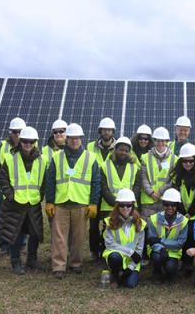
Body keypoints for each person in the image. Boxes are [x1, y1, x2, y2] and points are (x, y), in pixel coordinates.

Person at [45, 123, 101, 279]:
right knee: (59, 237)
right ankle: (58, 266)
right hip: (61, 203)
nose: (74, 141)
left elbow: (96, 182)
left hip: (81, 203)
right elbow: (50, 181)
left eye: (77, 138)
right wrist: (50, 201)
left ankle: (76, 263)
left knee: (78, 237)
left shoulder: (91, 158)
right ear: (66, 139)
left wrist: (93, 203)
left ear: (81, 139)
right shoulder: (57, 157)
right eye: (71, 138)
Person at [0, 127, 46, 274]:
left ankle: (31, 260)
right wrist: (10, 196)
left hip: (33, 203)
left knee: (35, 233)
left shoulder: (41, 161)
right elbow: (2, 179)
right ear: (20, 142)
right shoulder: (11, 159)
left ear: (35, 142)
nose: (28, 144)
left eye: (31, 141)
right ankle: (15, 261)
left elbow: (43, 182)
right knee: (15, 234)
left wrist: (40, 195)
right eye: (25, 141)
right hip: (15, 204)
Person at [96, 137, 140, 260]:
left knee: (125, 232)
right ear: (115, 149)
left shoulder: (134, 167)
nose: (123, 152)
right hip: (109, 206)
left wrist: (128, 202)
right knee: (109, 232)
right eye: (121, 149)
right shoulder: (105, 165)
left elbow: (137, 186)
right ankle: (107, 255)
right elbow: (103, 187)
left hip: (127, 207)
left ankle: (125, 254)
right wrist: (116, 204)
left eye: (126, 150)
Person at [170, 143, 195, 274]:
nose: (188, 164)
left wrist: (190, 213)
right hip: (181, 212)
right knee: (182, 232)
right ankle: (181, 260)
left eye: (191, 161)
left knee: (191, 232)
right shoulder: (176, 176)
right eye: (184, 161)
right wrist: (183, 213)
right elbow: (176, 196)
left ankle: (188, 263)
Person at [0, 117, 26, 256]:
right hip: (5, 190)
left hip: (23, 191)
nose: (17, 135)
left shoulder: (29, 145)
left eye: (19, 132)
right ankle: (4, 246)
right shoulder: (2, 146)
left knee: (22, 219)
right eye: (14, 132)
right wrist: (2, 183)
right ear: (10, 132)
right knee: (4, 218)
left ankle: (22, 244)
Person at [102, 189, 145, 288]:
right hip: (117, 256)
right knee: (114, 257)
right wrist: (130, 252)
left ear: (133, 205)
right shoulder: (109, 222)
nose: (125, 208)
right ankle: (115, 274)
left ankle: (124, 273)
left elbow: (139, 250)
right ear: (117, 206)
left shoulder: (140, 223)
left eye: (128, 205)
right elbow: (110, 244)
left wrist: (130, 268)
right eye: (122, 205)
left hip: (132, 261)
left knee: (130, 284)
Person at [87, 117, 117, 261]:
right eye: (104, 130)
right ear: (100, 131)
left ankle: (105, 248)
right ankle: (93, 250)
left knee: (107, 223)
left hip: (108, 192)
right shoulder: (90, 146)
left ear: (113, 132)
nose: (107, 132)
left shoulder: (119, 147)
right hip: (93, 191)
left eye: (109, 130)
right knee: (93, 225)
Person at [147, 189, 188, 283]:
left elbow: (180, 243)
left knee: (170, 269)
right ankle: (157, 272)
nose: (170, 207)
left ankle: (170, 270)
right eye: (166, 204)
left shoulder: (184, 221)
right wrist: (160, 249)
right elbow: (152, 240)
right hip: (156, 250)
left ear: (177, 205)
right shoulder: (153, 219)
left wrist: (161, 241)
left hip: (174, 252)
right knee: (157, 258)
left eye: (173, 205)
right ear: (163, 204)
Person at [139, 127, 177, 219]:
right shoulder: (145, 157)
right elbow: (143, 178)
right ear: (154, 141)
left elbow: (173, 180)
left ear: (167, 141)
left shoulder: (175, 159)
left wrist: (160, 192)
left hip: (165, 200)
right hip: (148, 201)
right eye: (157, 140)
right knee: (148, 229)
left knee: (162, 230)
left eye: (163, 141)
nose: (160, 143)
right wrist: (151, 193)